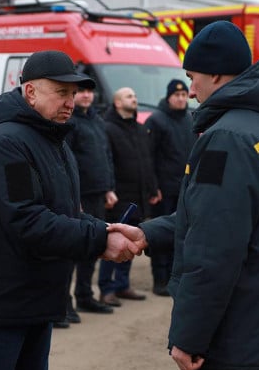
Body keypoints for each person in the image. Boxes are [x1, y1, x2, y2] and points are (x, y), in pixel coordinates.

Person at [109, 21, 259, 370]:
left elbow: (214, 249)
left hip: (232, 330)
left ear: (216, 73)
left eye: (192, 77)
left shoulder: (226, 138)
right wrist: (151, 233)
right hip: (256, 321)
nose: (192, 90)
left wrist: (189, 337)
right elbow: (220, 218)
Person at [0, 50, 144, 370]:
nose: (70, 102)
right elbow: (27, 220)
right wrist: (100, 239)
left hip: (37, 295)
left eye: (73, 94)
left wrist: (107, 228)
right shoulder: (7, 143)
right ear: (30, 92)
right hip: (2, 300)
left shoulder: (54, 140)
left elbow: (66, 211)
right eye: (61, 92)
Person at [98, 87, 159, 307]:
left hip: (138, 195)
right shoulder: (107, 129)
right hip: (119, 196)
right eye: (128, 96)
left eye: (134, 95)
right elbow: (107, 162)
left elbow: (147, 162)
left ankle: (122, 285)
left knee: (131, 243)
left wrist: (153, 188)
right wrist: (108, 189)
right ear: (117, 103)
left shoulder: (140, 129)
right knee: (113, 241)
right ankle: (106, 289)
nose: (134, 99)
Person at [61, 86, 117, 326]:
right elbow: (66, 161)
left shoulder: (97, 121)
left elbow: (106, 157)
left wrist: (109, 188)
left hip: (98, 193)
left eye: (89, 92)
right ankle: (63, 305)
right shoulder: (69, 123)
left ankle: (85, 295)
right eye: (80, 92)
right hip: (79, 196)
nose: (86, 95)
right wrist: (75, 197)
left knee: (93, 248)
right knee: (70, 252)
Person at [144, 79, 196, 296]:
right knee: (160, 236)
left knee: (181, 235)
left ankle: (176, 277)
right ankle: (160, 278)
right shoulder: (156, 120)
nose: (182, 99)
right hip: (163, 189)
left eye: (184, 95)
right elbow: (148, 158)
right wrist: (153, 187)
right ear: (168, 97)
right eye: (177, 96)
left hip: (183, 188)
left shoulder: (190, 119)